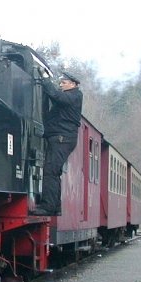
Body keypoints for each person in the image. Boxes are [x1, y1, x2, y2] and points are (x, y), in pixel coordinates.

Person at [31, 70, 83, 216]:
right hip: (60, 138)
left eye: (63, 83)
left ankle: (48, 207)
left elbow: (56, 95)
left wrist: (46, 80)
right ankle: (55, 206)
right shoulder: (70, 97)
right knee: (54, 172)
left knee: (50, 171)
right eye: (60, 83)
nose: (61, 85)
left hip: (62, 138)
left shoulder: (75, 96)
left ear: (73, 84)